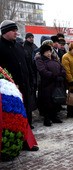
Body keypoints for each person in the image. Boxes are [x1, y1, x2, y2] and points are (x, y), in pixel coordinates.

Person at [0, 20, 38, 150]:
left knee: (26, 113)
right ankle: (14, 143)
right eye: (13, 30)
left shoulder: (18, 47)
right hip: (9, 91)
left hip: (24, 86)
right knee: (13, 117)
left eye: (16, 30)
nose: (16, 32)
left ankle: (27, 142)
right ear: (5, 32)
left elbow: (27, 65)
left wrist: (31, 81)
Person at [35, 44, 66, 126]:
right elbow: (43, 71)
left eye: (49, 51)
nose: (48, 53)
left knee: (55, 100)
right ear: (43, 53)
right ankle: (47, 119)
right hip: (47, 84)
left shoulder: (55, 58)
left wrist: (62, 74)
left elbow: (62, 68)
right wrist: (54, 76)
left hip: (57, 83)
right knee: (47, 102)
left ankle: (55, 116)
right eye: (46, 52)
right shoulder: (40, 60)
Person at [24, 32, 38, 114]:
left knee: (35, 88)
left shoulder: (34, 46)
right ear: (26, 38)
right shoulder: (24, 46)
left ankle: (34, 105)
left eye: (32, 37)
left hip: (35, 70)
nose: (31, 39)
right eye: (29, 37)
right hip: (29, 71)